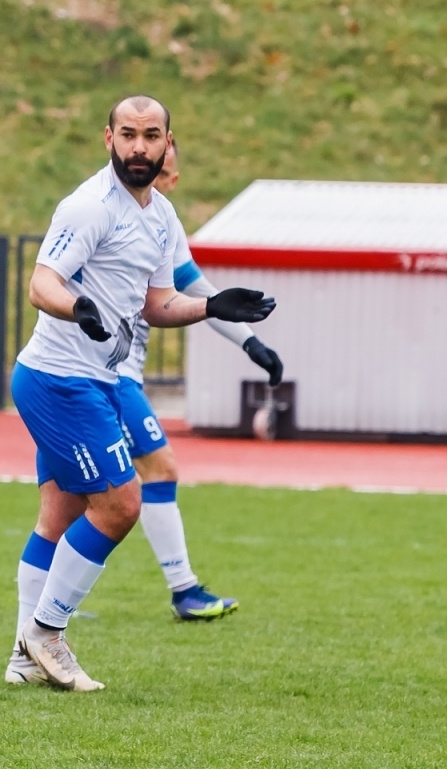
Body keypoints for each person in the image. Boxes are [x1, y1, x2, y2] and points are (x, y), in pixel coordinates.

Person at [5, 96, 276, 692]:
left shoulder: (160, 216)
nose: (139, 147)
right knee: (123, 503)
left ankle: (25, 658)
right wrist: (78, 307)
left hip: (95, 381)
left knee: (60, 515)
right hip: (60, 380)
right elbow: (41, 282)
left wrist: (212, 307)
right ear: (108, 138)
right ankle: (47, 631)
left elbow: (157, 303)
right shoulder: (89, 207)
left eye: (151, 136)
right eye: (127, 134)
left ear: (166, 142)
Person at [115, 138, 283, 620]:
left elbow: (198, 293)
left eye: (159, 165)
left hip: (106, 374)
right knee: (159, 469)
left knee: (73, 497)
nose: (148, 170)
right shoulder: (103, 214)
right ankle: (184, 590)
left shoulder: (160, 220)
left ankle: (47, 606)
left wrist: (251, 342)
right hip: (101, 375)